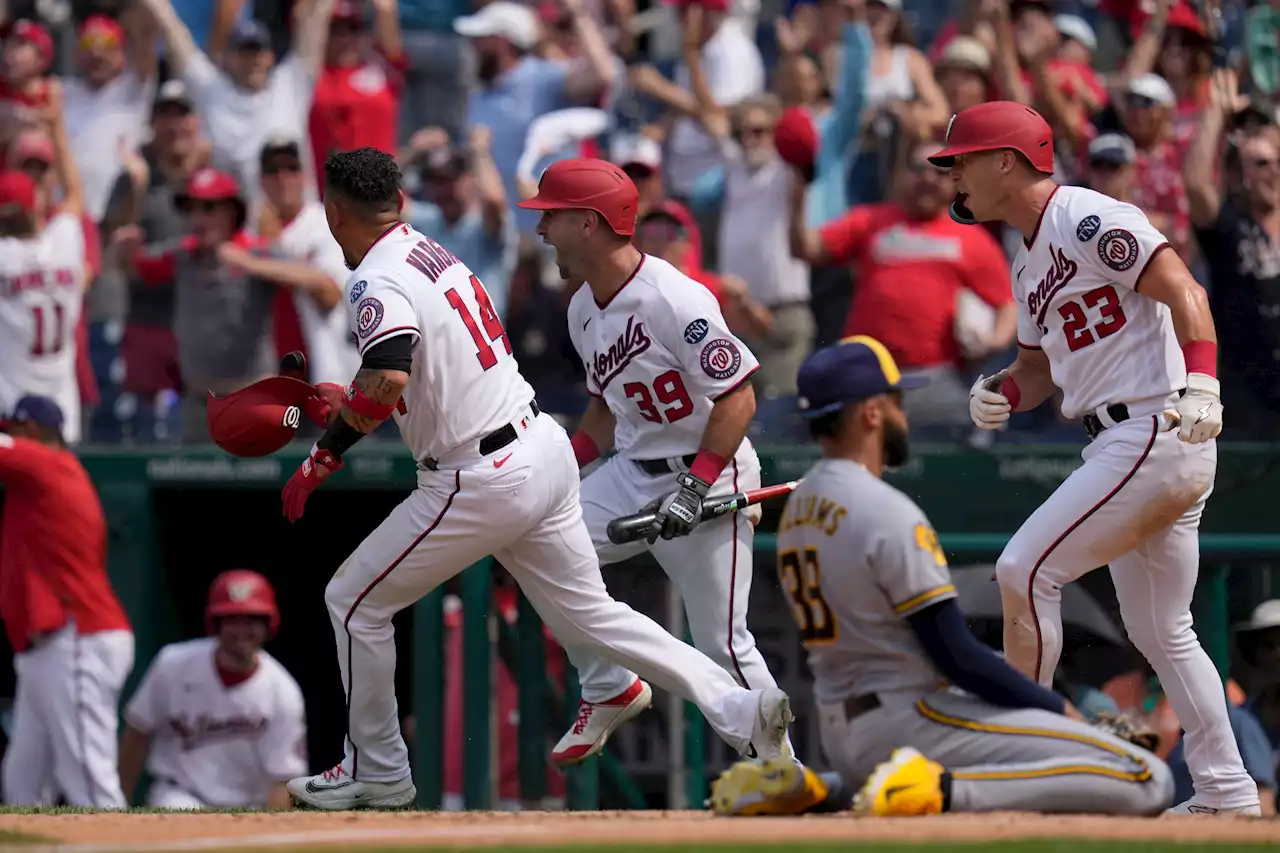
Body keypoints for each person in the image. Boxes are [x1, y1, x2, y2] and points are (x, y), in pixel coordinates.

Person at [280, 147, 792, 810]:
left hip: (490, 471)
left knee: (353, 600)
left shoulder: (377, 276)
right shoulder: (435, 254)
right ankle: (691, 699)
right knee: (593, 610)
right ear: (400, 205)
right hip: (544, 450)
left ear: (333, 210)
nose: (540, 229)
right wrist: (353, 397)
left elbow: (388, 374)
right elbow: (410, 374)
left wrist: (326, 451)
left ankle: (377, 768)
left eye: (551, 215)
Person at [939, 100, 1259, 816]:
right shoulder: (1028, 259)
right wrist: (1000, 391)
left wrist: (1204, 381)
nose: (952, 175)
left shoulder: (1085, 216)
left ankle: (1034, 768)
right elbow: (1036, 372)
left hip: (1157, 422)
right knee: (1163, 631)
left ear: (1005, 161)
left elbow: (1185, 289)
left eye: (961, 160)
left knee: (1025, 569)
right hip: (1131, 436)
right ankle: (1228, 790)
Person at [707, 337, 1174, 818]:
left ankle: (819, 789)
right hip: (909, 721)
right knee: (1147, 778)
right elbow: (956, 656)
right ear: (871, 413)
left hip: (839, 730)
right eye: (896, 402)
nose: (903, 416)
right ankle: (940, 791)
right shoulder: (885, 510)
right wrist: (1056, 709)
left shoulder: (801, 507)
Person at [517, 158, 791, 766]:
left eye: (551, 216)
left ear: (588, 224)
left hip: (707, 474)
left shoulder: (674, 296)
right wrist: (558, 470)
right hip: (631, 468)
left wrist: (694, 488)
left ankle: (784, 772)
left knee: (723, 643)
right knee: (531, 540)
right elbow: (602, 412)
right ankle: (606, 683)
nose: (541, 230)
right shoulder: (581, 307)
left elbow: (739, 396)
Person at [0, 395, 133, 807]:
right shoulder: (37, 483)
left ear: (34, 432)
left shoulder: (49, 464)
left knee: (91, 784)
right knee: (23, 787)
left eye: (14, 431)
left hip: (78, 637)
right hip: (49, 647)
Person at [119, 570, 306, 809]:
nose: (242, 631)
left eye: (251, 620)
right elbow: (137, 733)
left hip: (249, 806)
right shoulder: (172, 664)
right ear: (216, 623)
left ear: (268, 624)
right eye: (233, 620)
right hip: (181, 795)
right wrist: (120, 804)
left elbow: (282, 779)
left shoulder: (283, 691)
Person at [0, 91, 89, 445]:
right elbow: (76, 196)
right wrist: (57, 127)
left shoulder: (4, 256)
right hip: (59, 412)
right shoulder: (66, 241)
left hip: (12, 414)